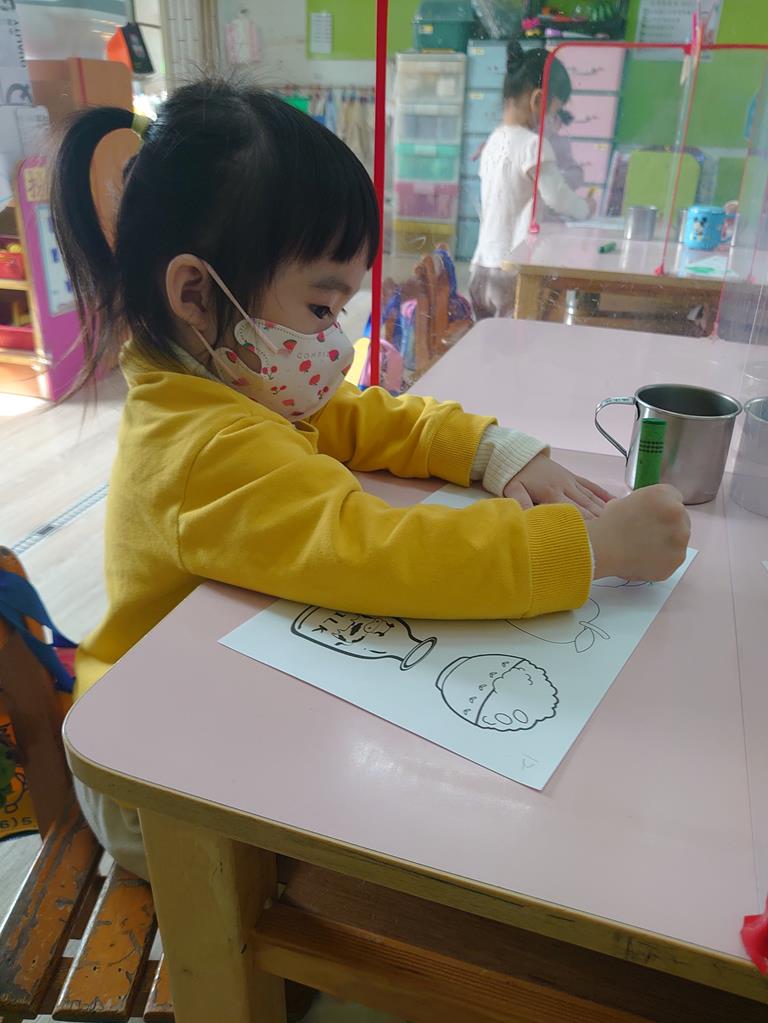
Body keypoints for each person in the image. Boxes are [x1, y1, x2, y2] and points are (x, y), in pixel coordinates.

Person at [50, 79, 689, 883]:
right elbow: (380, 553)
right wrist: (590, 549)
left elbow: (359, 415)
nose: (336, 340)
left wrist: (491, 449)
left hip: (214, 700)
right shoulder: (205, 447)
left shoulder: (226, 377)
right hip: (149, 778)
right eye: (322, 308)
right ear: (194, 294)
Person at [470, 42, 595, 320]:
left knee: (486, 339)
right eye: (553, 111)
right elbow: (559, 197)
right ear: (538, 100)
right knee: (516, 342)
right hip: (511, 270)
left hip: (481, 266)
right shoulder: (532, 145)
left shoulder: (493, 140)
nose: (551, 120)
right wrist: (586, 208)